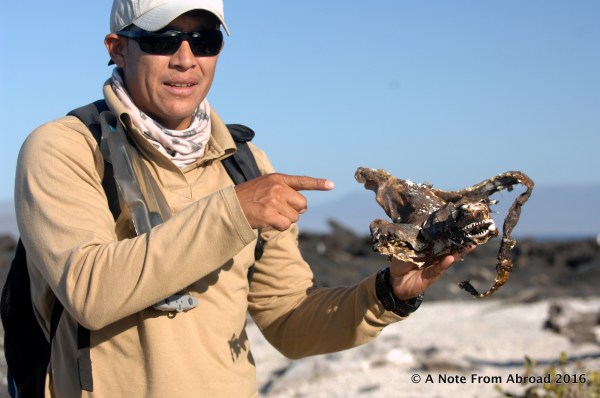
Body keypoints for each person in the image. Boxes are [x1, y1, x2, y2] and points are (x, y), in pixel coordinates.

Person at [14, 0, 472, 396]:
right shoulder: (65, 148)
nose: (185, 58)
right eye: (162, 39)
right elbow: (90, 292)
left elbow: (289, 322)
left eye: (205, 39)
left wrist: (388, 293)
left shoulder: (247, 164)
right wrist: (233, 211)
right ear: (117, 48)